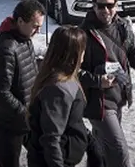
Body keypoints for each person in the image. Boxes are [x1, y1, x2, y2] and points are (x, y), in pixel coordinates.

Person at [79, 0, 135, 167]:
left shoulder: (123, 27)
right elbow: (73, 70)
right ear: (93, 5)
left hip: (118, 96)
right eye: (100, 6)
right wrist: (98, 81)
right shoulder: (83, 32)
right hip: (97, 102)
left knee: (101, 150)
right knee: (118, 149)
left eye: (109, 5)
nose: (105, 10)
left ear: (116, 5)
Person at [26, 25, 104, 167]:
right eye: (82, 49)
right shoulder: (58, 89)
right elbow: (51, 138)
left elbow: (72, 120)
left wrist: (90, 142)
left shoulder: (68, 79)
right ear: (73, 53)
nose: (84, 53)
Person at [0, 0, 44, 167]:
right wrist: (24, 112)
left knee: (41, 156)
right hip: (9, 123)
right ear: (20, 21)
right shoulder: (6, 47)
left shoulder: (24, 37)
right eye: (35, 26)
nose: (38, 31)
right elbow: (0, 92)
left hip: (27, 117)